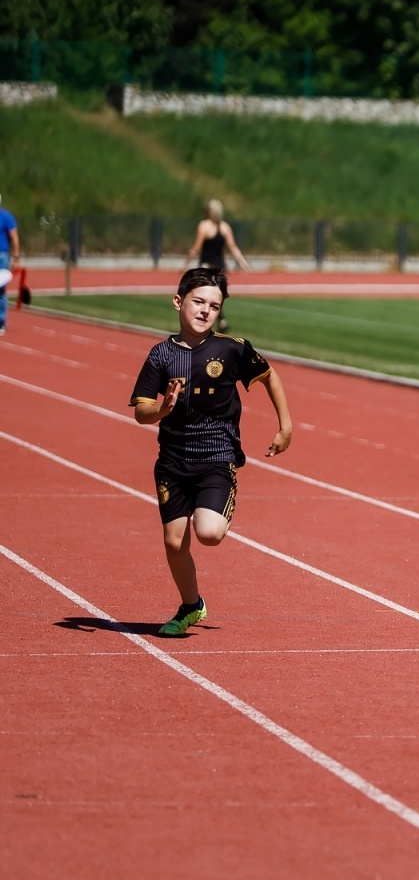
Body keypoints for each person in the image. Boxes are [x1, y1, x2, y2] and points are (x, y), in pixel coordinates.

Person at [130, 268, 293, 636]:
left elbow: (270, 377)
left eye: (214, 306)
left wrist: (286, 426)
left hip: (216, 458)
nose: (205, 311)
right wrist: (162, 410)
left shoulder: (231, 349)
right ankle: (191, 606)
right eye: (198, 302)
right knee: (174, 541)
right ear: (178, 302)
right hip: (172, 463)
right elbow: (141, 411)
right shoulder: (160, 355)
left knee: (210, 533)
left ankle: (220, 499)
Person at [183, 200, 250, 332]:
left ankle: (208, 321)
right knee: (215, 295)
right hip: (220, 265)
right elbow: (233, 246)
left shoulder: (204, 226)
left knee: (202, 296)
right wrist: (242, 261)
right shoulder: (225, 227)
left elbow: (197, 246)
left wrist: (187, 261)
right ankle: (220, 321)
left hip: (206, 265)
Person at [0, 193, 19, 337]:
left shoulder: (6, 217)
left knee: (1, 290)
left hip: (2, 256)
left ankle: (1, 321)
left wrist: (16, 256)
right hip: (3, 255)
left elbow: (13, 236)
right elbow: (14, 237)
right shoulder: (7, 216)